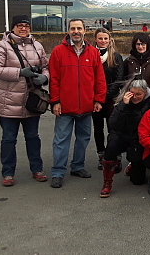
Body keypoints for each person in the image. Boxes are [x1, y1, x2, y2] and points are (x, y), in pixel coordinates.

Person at [0, 15, 50, 186]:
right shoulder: (3, 46)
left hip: (32, 100)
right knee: (9, 139)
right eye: (20, 25)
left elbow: (46, 67)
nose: (23, 28)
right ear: (13, 27)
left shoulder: (37, 46)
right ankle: (8, 173)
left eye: (26, 26)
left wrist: (44, 78)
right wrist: (19, 73)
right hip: (8, 102)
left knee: (33, 137)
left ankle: (37, 169)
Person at [49, 19, 107, 188]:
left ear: (84, 31)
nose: (76, 31)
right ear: (68, 30)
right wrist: (55, 101)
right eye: (73, 28)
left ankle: (77, 166)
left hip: (86, 106)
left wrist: (98, 100)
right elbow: (54, 79)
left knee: (83, 139)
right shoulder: (58, 51)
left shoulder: (93, 53)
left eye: (79, 28)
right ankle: (58, 172)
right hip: (65, 106)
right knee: (61, 140)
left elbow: (99, 79)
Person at [100, 75, 150, 198]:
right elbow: (113, 124)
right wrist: (123, 106)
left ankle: (132, 164)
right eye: (132, 94)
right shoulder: (124, 101)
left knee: (137, 181)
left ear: (145, 92)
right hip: (121, 135)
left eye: (138, 94)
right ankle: (107, 182)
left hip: (138, 139)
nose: (135, 97)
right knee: (111, 144)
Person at [92, 28, 124, 171]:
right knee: (98, 128)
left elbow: (119, 80)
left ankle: (115, 156)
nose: (103, 41)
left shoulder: (116, 57)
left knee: (113, 129)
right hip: (94, 100)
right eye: (100, 38)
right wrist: (96, 98)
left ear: (110, 40)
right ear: (95, 39)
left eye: (106, 38)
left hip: (111, 99)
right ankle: (102, 155)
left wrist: (104, 96)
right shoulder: (91, 55)